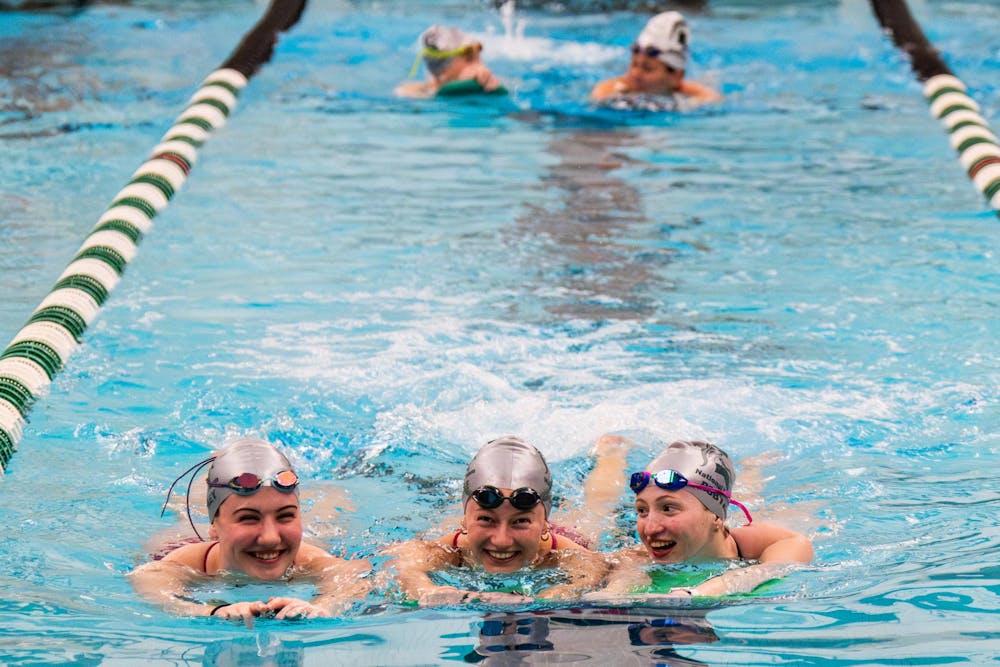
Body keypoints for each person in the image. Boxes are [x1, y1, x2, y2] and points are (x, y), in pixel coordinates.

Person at [129, 437, 371, 620]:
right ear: (214, 527)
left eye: (286, 516)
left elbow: (354, 581)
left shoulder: (310, 559)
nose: (269, 538)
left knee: (333, 502)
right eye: (248, 519)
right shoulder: (186, 563)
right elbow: (150, 585)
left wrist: (321, 607)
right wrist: (213, 611)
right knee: (187, 510)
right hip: (192, 535)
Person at [386, 436, 607, 607]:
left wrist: (551, 596)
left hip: (566, 534)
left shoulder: (566, 555)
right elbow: (403, 564)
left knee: (596, 506)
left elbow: (592, 573)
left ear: (544, 525)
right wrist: (427, 591)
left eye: (520, 521)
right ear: (464, 521)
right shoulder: (451, 550)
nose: (501, 541)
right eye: (486, 519)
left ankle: (610, 453)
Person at [586, 437, 813, 599]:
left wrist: (699, 593)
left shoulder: (774, 542)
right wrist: (612, 592)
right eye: (642, 510)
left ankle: (753, 468)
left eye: (668, 508)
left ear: (716, 516)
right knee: (597, 509)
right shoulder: (637, 555)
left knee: (750, 497)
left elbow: (768, 570)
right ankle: (612, 455)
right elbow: (623, 575)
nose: (649, 529)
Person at [590, 11, 720, 107]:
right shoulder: (620, 87)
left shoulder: (682, 90)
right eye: (634, 64)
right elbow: (599, 93)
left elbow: (713, 99)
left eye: (647, 69)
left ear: (676, 77)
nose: (635, 74)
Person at [395, 25, 504, 99]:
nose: (480, 66)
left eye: (478, 58)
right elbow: (402, 92)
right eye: (470, 59)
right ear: (443, 67)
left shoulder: (493, 82)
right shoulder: (412, 93)